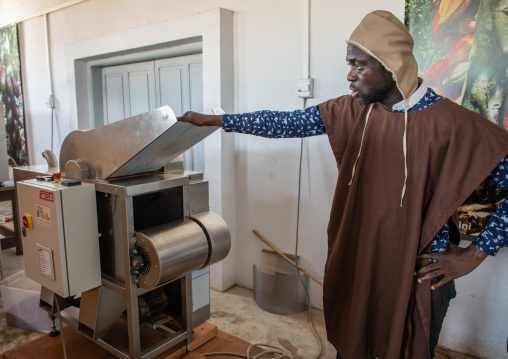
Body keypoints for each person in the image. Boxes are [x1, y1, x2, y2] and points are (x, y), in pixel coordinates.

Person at [178, 10, 508, 359]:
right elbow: (287, 123)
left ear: (391, 65)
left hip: (417, 278)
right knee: (353, 344)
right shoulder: (355, 112)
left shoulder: (452, 124)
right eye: (349, 64)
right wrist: (218, 120)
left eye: (359, 66)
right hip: (361, 263)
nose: (349, 76)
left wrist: (475, 254)